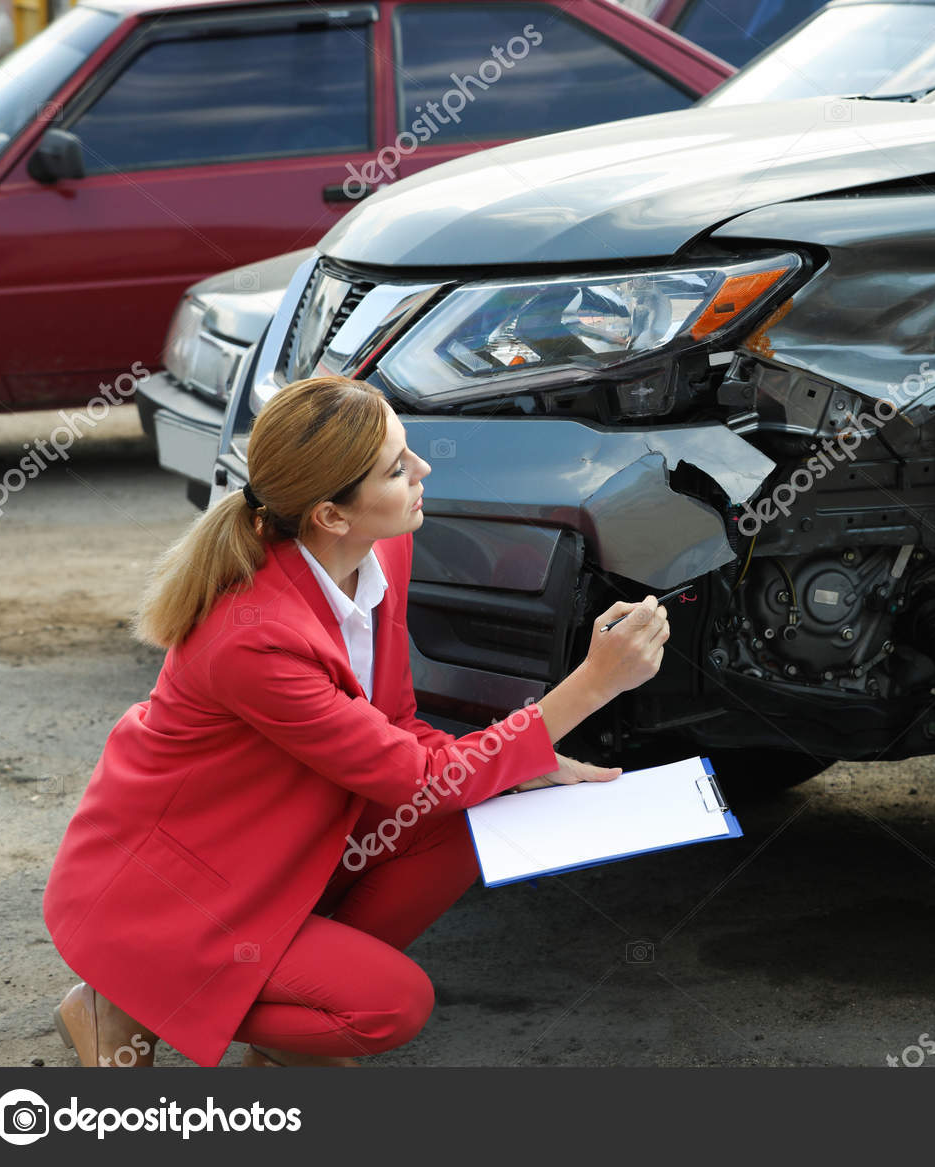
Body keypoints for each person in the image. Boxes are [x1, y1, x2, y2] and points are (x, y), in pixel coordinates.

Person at [44, 376, 669, 1067]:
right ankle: (124, 1001)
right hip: (175, 892)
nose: (424, 470)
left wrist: (523, 763)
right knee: (389, 1006)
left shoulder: (380, 551)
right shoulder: (253, 638)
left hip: (274, 841)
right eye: (398, 468)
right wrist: (592, 684)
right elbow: (420, 775)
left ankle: (286, 1033)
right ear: (331, 516)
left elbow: (399, 726)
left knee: (473, 814)